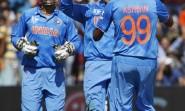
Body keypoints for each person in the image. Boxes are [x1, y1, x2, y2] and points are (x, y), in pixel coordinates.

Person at [93, 0, 173, 110]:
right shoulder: (154, 3)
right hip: (148, 61)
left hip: (123, 59)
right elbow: (170, 22)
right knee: (146, 105)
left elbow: (96, 36)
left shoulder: (114, 4)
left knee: (121, 106)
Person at [11, 0, 81, 110]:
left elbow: (76, 41)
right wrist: (22, 45)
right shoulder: (27, 14)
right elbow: (15, 36)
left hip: (55, 73)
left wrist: (68, 49)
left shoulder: (65, 18)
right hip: (32, 72)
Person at [60, 0, 115, 110]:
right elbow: (66, 7)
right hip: (95, 63)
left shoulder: (123, 8)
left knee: (119, 107)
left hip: (118, 62)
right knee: (94, 107)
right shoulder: (90, 9)